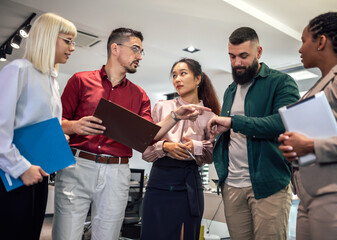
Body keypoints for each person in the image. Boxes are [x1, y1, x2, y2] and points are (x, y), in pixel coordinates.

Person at [53, 28, 209, 240]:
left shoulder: (140, 95)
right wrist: (74, 126)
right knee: (66, 235)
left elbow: (150, 135)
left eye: (141, 52)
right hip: (78, 165)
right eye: (135, 49)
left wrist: (175, 116)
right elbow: (55, 123)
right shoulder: (80, 80)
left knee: (107, 236)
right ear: (115, 48)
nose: (139, 56)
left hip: (116, 172)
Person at [207, 27, 300, 240]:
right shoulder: (230, 90)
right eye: (232, 56)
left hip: (269, 186)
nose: (237, 62)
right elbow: (230, 133)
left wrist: (233, 122)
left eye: (243, 56)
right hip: (232, 185)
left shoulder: (281, 82)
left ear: (258, 52)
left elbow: (282, 123)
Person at [278, 12, 337, 240]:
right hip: (309, 196)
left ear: (321, 41)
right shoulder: (316, 89)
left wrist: (312, 145)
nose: (300, 49)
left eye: (304, 41)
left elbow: (315, 145)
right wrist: (294, 150)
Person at [0, 13, 76, 240]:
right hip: (14, 174)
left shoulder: (51, 79)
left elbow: (40, 124)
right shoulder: (18, 70)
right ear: (48, 37)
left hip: (39, 172)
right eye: (68, 41)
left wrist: (58, 139)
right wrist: (21, 167)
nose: (72, 48)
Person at [140, 58, 221, 240]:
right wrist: (165, 147)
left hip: (189, 185)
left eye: (183, 74)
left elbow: (212, 156)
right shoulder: (162, 108)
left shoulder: (210, 115)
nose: (177, 79)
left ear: (198, 79)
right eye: (174, 75)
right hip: (159, 183)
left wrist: (197, 146)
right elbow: (145, 150)